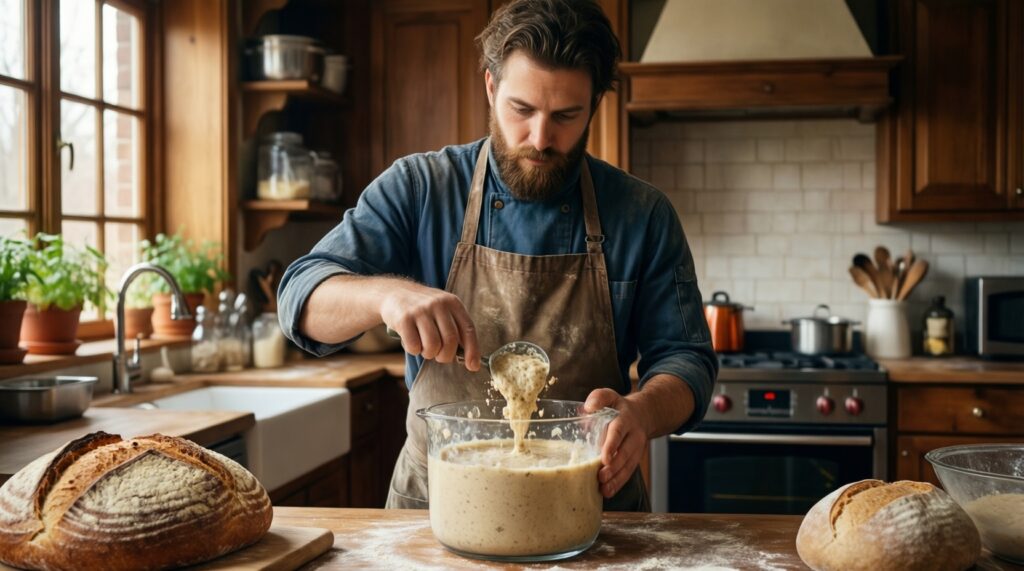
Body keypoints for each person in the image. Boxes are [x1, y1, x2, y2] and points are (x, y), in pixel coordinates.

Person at [278, 0, 718, 511]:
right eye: (521, 109)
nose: (540, 138)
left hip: (591, 511)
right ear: (491, 87)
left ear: (595, 104)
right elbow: (299, 301)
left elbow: (688, 361)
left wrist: (640, 412)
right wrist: (386, 295)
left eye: (566, 116)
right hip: (434, 514)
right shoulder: (420, 188)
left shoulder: (642, 213)